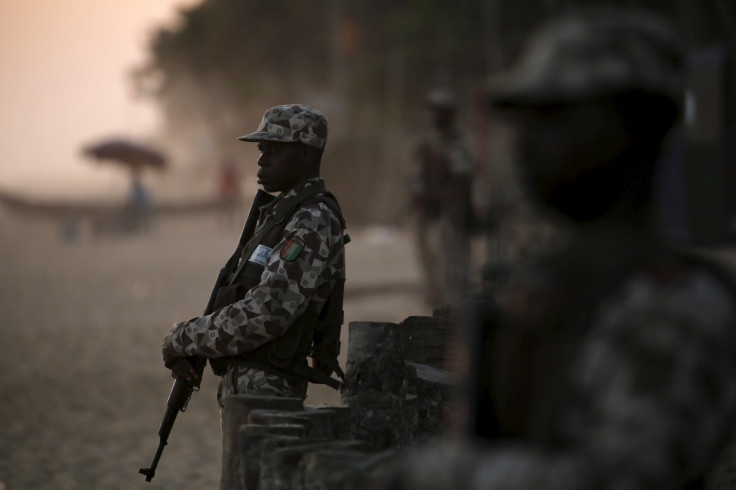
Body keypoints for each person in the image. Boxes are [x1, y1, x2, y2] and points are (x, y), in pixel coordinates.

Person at [384, 7, 736, 489]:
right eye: (524, 119)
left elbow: (624, 477)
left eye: (556, 117)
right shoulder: (550, 283)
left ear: (638, 125)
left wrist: (441, 474)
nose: (526, 142)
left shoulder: (677, 304)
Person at [161, 104, 347, 408]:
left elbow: (268, 311)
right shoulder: (282, 214)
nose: (261, 159)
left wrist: (182, 337)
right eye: (262, 148)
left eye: (274, 149)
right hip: (250, 391)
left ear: (305, 155)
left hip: (269, 397)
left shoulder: (312, 220)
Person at [411, 89, 476, 306]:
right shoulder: (428, 141)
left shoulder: (458, 143)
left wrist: (444, 198)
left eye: (439, 112)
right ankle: (436, 298)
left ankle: (455, 303)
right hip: (429, 212)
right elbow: (420, 173)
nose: (434, 116)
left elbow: (463, 179)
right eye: (432, 111)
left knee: (453, 263)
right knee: (429, 258)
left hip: (451, 211)